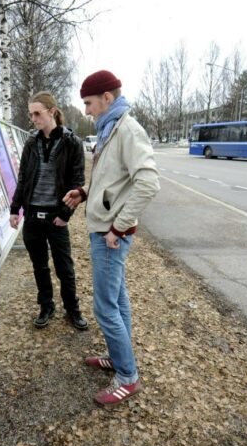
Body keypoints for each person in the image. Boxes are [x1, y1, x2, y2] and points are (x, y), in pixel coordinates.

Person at [63, 70, 160, 406]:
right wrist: (85, 191)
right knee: (117, 300)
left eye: (89, 103)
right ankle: (119, 359)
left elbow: (148, 182)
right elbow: (114, 179)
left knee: (105, 308)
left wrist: (119, 227)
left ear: (108, 97)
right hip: (107, 229)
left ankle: (128, 377)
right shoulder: (110, 129)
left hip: (110, 234)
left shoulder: (128, 130)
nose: (87, 111)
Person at [9, 91, 87, 330]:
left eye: (37, 113)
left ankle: (72, 309)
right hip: (32, 217)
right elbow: (23, 179)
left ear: (52, 112)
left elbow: (77, 181)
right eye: (31, 114)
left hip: (56, 218)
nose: (33, 118)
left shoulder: (72, 143)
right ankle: (46, 306)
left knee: (65, 267)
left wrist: (65, 215)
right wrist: (15, 209)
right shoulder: (31, 143)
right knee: (39, 265)